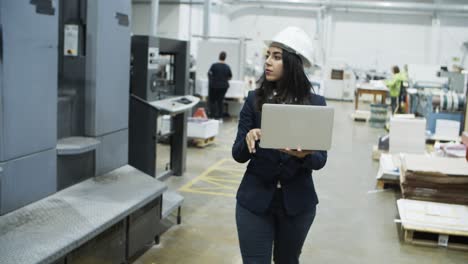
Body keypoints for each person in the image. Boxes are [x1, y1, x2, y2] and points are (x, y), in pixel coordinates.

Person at [232, 27, 328, 264]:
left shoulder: (315, 104)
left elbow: (320, 159)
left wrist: (303, 155)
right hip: (254, 202)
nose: (268, 62)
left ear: (293, 63)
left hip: (297, 204)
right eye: (267, 55)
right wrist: (248, 139)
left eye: (276, 57)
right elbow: (237, 155)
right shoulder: (254, 101)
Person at [208, 51, 232, 120]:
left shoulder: (214, 65)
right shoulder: (227, 67)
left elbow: (209, 74)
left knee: (213, 101)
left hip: (214, 86)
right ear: (225, 58)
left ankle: (212, 116)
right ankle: (220, 117)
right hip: (224, 86)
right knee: (220, 101)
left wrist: (212, 80)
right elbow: (230, 77)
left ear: (219, 56)